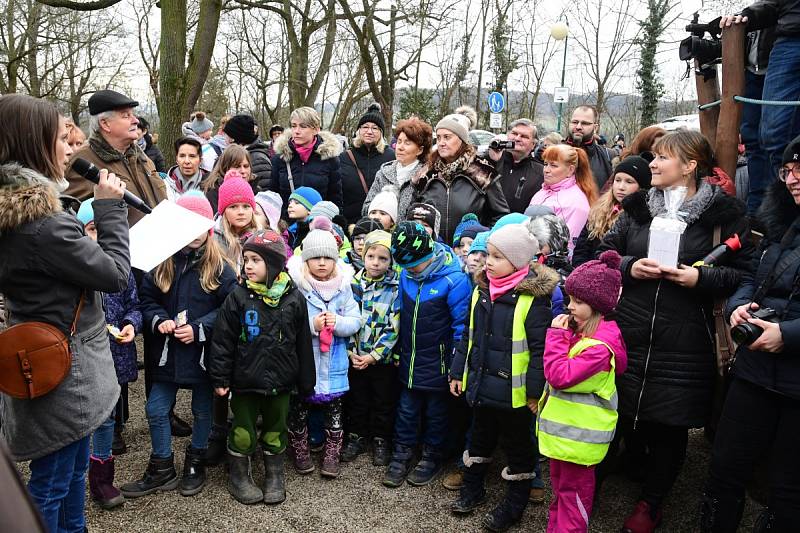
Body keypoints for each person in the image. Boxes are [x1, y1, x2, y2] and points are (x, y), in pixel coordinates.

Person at [598, 130, 753, 532]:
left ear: (689, 166)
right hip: (630, 330)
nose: (652, 164)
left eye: (662, 158)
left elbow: (745, 275)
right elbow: (604, 256)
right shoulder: (636, 209)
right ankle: (621, 471)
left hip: (686, 340)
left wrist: (699, 280)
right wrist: (630, 266)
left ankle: (652, 502)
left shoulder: (724, 215)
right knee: (622, 412)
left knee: (670, 424)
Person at [0, 94, 129, 532]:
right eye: (61, 138)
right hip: (62, 370)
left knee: (70, 475)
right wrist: (110, 207)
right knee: (54, 482)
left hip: (42, 355)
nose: (71, 146)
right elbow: (114, 274)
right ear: (34, 142)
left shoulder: (21, 212)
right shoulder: (44, 225)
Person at [700, 135, 800, 531]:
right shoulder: (779, 224)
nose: (792, 179)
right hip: (755, 372)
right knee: (724, 468)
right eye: (788, 170)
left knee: (789, 487)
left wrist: (788, 336)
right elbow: (754, 279)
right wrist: (741, 303)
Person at [122, 194, 237, 499]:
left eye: (198, 227)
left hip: (201, 356)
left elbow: (229, 308)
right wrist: (158, 319)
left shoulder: (222, 268)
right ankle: (162, 465)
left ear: (209, 229)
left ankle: (195, 461)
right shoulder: (161, 263)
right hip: (168, 354)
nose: (193, 234)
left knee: (203, 411)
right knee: (156, 409)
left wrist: (200, 328)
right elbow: (147, 300)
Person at [449, 224, 557, 532]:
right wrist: (458, 373)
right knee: (479, 438)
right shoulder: (481, 291)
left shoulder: (532, 301)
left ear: (519, 261)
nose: (488, 262)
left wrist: (535, 393)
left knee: (519, 447)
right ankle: (473, 488)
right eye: (487, 256)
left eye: (497, 257)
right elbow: (467, 337)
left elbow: (539, 352)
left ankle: (514, 503)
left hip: (516, 394)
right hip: (482, 386)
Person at [209, 229, 315, 505]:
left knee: (275, 429)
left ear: (275, 264)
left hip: (281, 380)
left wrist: (306, 380)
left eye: (256, 260)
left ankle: (274, 475)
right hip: (245, 380)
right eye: (246, 259)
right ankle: (239, 477)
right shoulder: (238, 297)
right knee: (243, 431)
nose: (248, 266)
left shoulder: (293, 298)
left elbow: (303, 341)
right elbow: (222, 340)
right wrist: (220, 377)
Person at [538, 250, 627, 533]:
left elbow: (558, 375)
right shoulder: (584, 336)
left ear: (597, 304)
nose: (570, 306)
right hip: (567, 437)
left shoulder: (599, 348)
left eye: (578, 301)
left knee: (573, 500)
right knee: (561, 495)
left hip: (580, 441)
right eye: (570, 299)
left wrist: (555, 337)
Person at [384, 222, 471, 488]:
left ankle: (432, 456)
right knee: (406, 410)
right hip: (410, 359)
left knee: (437, 413)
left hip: (439, 363)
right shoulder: (406, 275)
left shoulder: (454, 280)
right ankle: (402, 452)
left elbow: (461, 328)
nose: (409, 271)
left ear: (429, 255)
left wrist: (456, 367)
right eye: (405, 267)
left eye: (414, 266)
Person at [76, 199, 141, 510]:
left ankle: (102, 477)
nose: (99, 237)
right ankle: (77, 473)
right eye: (92, 229)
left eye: (104, 230)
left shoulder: (121, 270)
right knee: (79, 418)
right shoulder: (74, 270)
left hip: (115, 355)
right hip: (83, 355)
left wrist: (130, 324)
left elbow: (134, 306)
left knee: (107, 418)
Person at [286, 228, 361, 478]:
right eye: (315, 258)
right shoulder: (298, 289)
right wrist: (312, 326)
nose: (321, 263)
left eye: (327, 258)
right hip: (306, 365)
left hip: (335, 364)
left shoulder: (344, 288)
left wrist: (337, 322)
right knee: (299, 409)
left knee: (335, 413)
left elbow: (355, 320)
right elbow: (290, 324)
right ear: (305, 260)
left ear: (335, 259)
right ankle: (300, 448)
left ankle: (332, 452)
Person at [721, 7, 800, 215]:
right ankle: (767, 208)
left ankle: (782, 212)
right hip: (756, 63)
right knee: (758, 139)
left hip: (782, 45)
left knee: (777, 136)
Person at [341, 230, 401, 466]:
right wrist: (350, 352)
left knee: (383, 401)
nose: (376, 263)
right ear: (363, 256)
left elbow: (394, 326)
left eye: (383, 258)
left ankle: (380, 439)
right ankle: (355, 436)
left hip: (380, 360)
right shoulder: (352, 284)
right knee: (357, 399)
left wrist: (375, 355)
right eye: (371, 256)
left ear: (391, 261)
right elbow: (345, 317)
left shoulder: (395, 286)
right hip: (356, 356)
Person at [65, 89, 167, 227]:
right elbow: (71, 220)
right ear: (105, 124)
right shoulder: (82, 162)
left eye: (133, 115)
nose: (135, 121)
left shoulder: (142, 158)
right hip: (120, 247)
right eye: (126, 116)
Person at [414, 109, 510, 243]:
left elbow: (500, 216)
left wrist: (482, 243)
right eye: (439, 137)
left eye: (447, 137)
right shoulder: (426, 173)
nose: (441, 142)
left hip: (469, 254)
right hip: (432, 252)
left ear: (462, 140)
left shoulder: (483, 172)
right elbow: (413, 212)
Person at [573, 156, 652, 267]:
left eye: (629, 182)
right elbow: (582, 249)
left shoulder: (641, 216)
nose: (621, 187)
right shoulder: (599, 209)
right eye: (617, 180)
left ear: (642, 186)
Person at [269, 107, 343, 214]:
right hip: (286, 225)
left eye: (303, 126)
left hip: (318, 224)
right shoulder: (280, 158)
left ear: (316, 129)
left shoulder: (329, 159)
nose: (296, 131)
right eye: (294, 126)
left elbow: (335, 198)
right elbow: (273, 196)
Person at [529, 144, 599, 253]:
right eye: (545, 164)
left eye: (553, 165)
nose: (546, 170)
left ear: (570, 170)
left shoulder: (576, 202)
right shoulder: (542, 192)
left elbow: (568, 246)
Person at [363, 117, 432, 224]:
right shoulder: (384, 173)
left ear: (420, 150)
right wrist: (381, 211)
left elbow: (427, 216)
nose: (400, 147)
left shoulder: (426, 175)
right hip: (380, 235)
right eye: (399, 142)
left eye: (407, 143)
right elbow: (365, 209)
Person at [339, 104, 396, 226]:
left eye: (375, 128)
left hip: (381, 225)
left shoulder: (392, 157)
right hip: (350, 224)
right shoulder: (344, 158)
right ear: (358, 130)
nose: (369, 131)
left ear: (381, 133)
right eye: (365, 127)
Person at [489, 118, 546, 214]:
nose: (517, 138)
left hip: (519, 226)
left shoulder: (541, 172)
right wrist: (493, 161)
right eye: (514, 134)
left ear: (533, 145)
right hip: (486, 225)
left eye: (524, 136)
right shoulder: (490, 160)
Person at [213, 175, 260, 273]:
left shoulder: (262, 238)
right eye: (233, 207)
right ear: (224, 211)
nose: (241, 212)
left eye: (246, 206)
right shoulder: (212, 240)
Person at [566, 105, 618, 190]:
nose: (578, 127)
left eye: (585, 123)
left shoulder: (609, 156)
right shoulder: (553, 153)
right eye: (575, 122)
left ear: (595, 127)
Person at [224, 114, 273, 191]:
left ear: (233, 138)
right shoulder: (246, 155)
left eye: (227, 135)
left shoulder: (258, 159)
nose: (225, 139)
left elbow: (263, 194)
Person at [201, 144, 254, 213]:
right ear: (225, 168)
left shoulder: (255, 188)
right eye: (237, 167)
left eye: (246, 166)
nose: (243, 171)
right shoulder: (214, 191)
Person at [164, 137, 208, 201]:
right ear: (176, 159)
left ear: (200, 160)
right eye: (182, 156)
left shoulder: (212, 185)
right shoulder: (164, 185)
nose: (187, 161)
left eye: (192, 156)